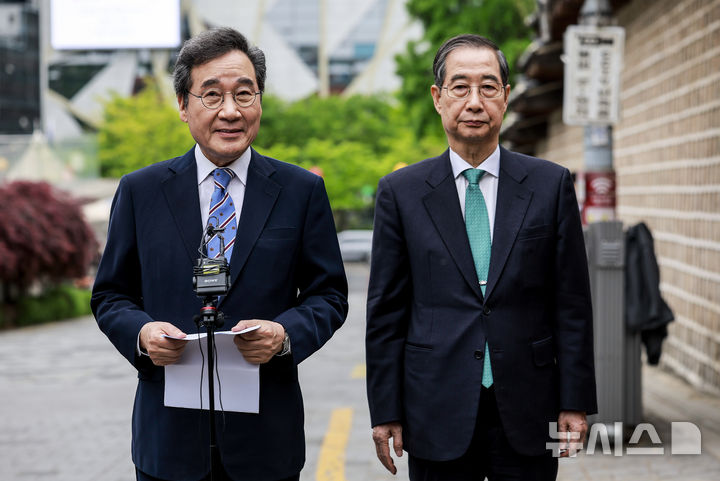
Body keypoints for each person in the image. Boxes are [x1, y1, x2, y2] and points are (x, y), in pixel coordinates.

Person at [91, 27, 348, 481]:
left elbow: (329, 295)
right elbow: (110, 295)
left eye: (244, 94)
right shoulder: (139, 191)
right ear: (183, 105)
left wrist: (284, 334)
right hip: (167, 441)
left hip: (266, 441)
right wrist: (142, 334)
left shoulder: (301, 191)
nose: (230, 110)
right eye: (212, 95)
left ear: (260, 102)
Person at [365, 34, 597, 480]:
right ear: (438, 97)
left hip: (529, 403)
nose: (475, 102)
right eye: (460, 87)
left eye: (488, 87)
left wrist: (575, 401)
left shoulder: (549, 185)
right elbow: (386, 313)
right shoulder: (401, 193)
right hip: (435, 405)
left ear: (505, 97)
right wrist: (386, 410)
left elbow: (571, 303)